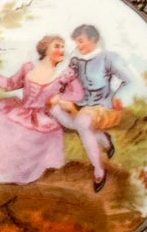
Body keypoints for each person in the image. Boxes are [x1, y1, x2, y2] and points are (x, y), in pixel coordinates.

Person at [0, 35, 76, 185]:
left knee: (20, 138)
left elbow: (77, 94)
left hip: (41, 120)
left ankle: (7, 175)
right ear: (45, 49)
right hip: (20, 110)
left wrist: (60, 99)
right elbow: (10, 84)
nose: (62, 50)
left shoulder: (64, 76)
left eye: (63, 47)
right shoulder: (28, 68)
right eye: (57, 46)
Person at [49, 24, 133, 191]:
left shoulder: (108, 58)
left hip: (104, 107)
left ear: (93, 40)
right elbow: (65, 79)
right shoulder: (76, 61)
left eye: (81, 41)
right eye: (77, 42)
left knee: (82, 122)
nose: (78, 46)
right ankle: (103, 139)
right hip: (81, 105)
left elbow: (129, 80)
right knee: (54, 109)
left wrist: (119, 97)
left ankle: (99, 170)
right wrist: (57, 93)